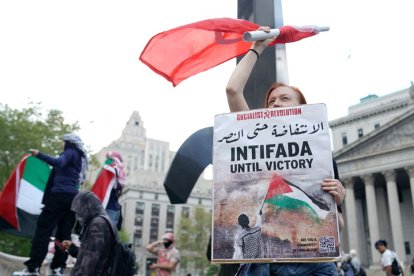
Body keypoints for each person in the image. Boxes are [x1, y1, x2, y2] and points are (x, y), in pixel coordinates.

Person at [225, 26, 346, 276]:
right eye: (271, 101)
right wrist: (256, 48)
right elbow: (233, 90)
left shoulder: (321, 156)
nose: (277, 103)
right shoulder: (253, 138)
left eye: (285, 98)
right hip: (263, 262)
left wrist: (338, 202)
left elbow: (338, 227)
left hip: (313, 262)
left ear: (303, 108)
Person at [13, 133, 87, 276]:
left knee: (43, 230)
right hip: (71, 199)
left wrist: (38, 154)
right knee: (64, 234)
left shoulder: (70, 153)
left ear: (68, 143)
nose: (62, 144)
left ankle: (32, 268)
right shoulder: (79, 157)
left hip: (59, 196)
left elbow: (59, 162)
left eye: (63, 142)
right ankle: (57, 268)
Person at [60, 191, 115, 276]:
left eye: (80, 209)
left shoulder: (97, 224)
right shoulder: (102, 221)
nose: (79, 215)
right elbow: (91, 253)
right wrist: (72, 248)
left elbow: (90, 261)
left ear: (88, 207)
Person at [104, 151, 126, 230]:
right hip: (115, 209)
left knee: (106, 233)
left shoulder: (112, 169)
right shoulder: (121, 173)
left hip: (108, 209)